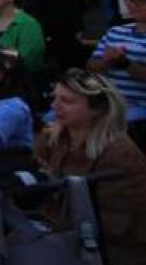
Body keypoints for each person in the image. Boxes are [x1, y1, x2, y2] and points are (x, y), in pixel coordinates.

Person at [35, 69, 146, 265]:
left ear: (97, 109)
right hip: (63, 237)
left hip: (109, 252)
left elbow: (120, 224)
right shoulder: (53, 139)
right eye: (55, 98)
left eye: (67, 101)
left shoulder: (120, 154)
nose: (55, 106)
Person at [88, 0, 146, 152]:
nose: (133, 5)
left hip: (139, 105)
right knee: (53, 117)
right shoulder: (115, 32)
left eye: (141, 0)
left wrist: (125, 63)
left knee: (111, 123)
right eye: (130, 0)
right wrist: (106, 61)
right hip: (106, 100)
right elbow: (90, 67)